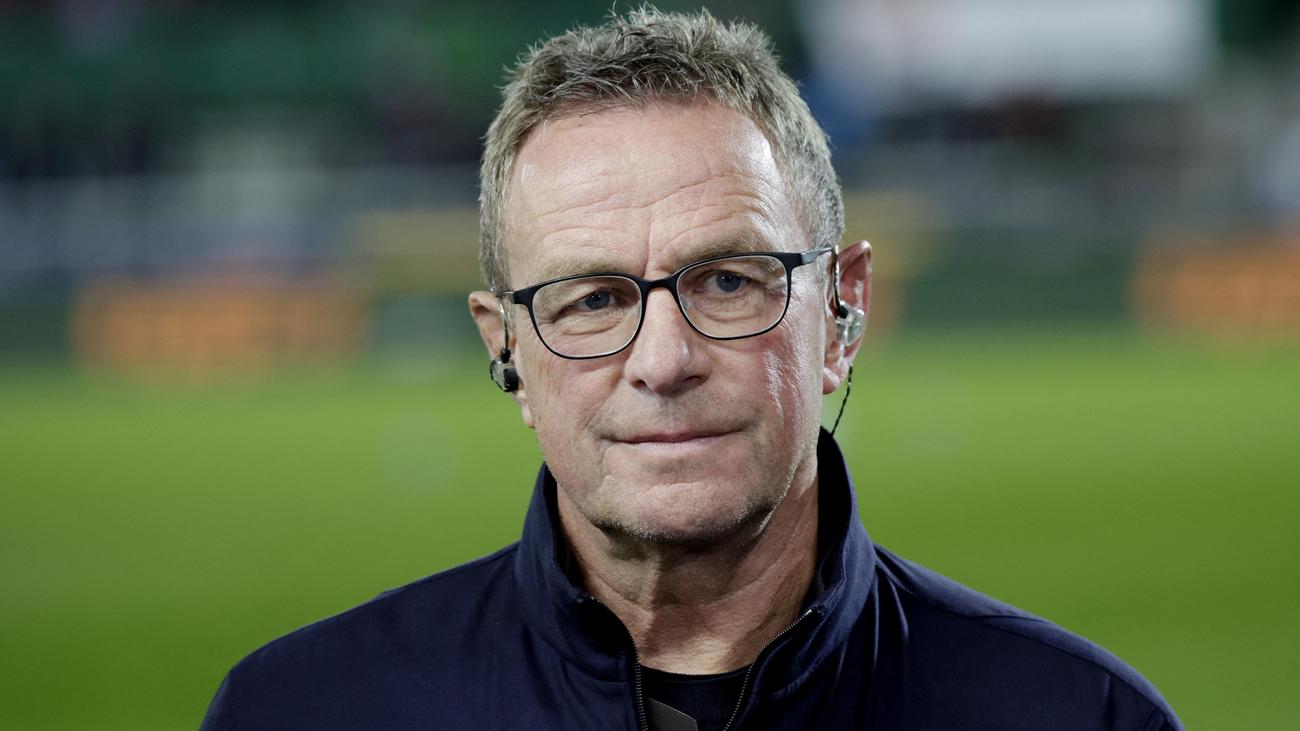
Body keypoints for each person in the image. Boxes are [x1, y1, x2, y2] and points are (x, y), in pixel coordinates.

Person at [200, 8, 1182, 730]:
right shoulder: (297, 712)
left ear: (842, 313)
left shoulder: (1084, 718)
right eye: (592, 299)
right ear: (506, 348)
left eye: (727, 281)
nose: (663, 361)